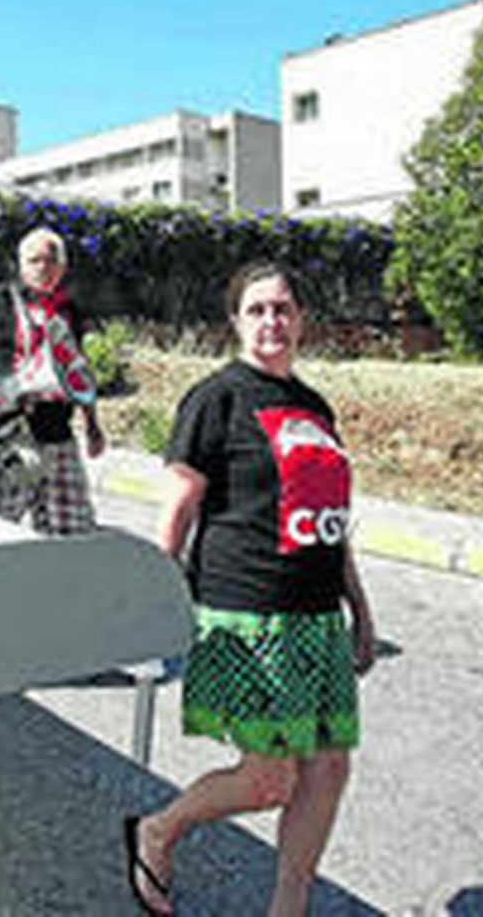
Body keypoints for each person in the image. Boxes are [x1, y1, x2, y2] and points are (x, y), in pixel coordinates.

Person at [125, 261, 376, 917]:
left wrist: (360, 607)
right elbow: (180, 505)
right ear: (235, 322)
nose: (273, 321)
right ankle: (159, 829)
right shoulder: (217, 398)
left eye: (284, 309)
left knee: (327, 770)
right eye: (258, 309)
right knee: (268, 778)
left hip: (317, 618)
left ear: (301, 321)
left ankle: (287, 908)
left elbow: (329, 517)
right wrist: (156, 594)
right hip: (246, 613)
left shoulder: (314, 407)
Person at [0, 227, 106, 534]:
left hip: (57, 435)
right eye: (34, 260)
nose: (43, 268)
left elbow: (77, 369)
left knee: (72, 531)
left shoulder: (69, 311)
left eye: (50, 260)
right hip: (5, 436)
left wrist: (92, 425)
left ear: (62, 267)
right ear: (21, 265)